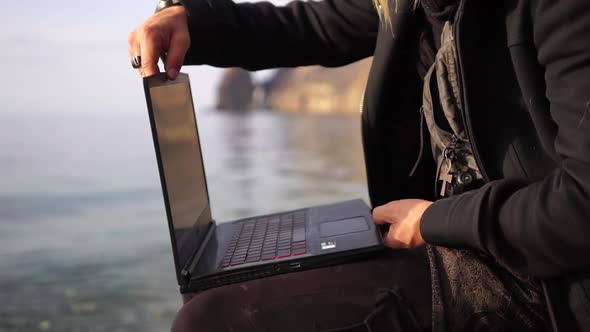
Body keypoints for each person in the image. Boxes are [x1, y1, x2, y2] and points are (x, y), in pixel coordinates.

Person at [128, 0, 590, 330]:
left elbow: (583, 205)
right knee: (212, 282)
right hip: (461, 234)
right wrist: (192, 20)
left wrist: (432, 219)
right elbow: (308, 24)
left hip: (543, 281)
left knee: (209, 320)